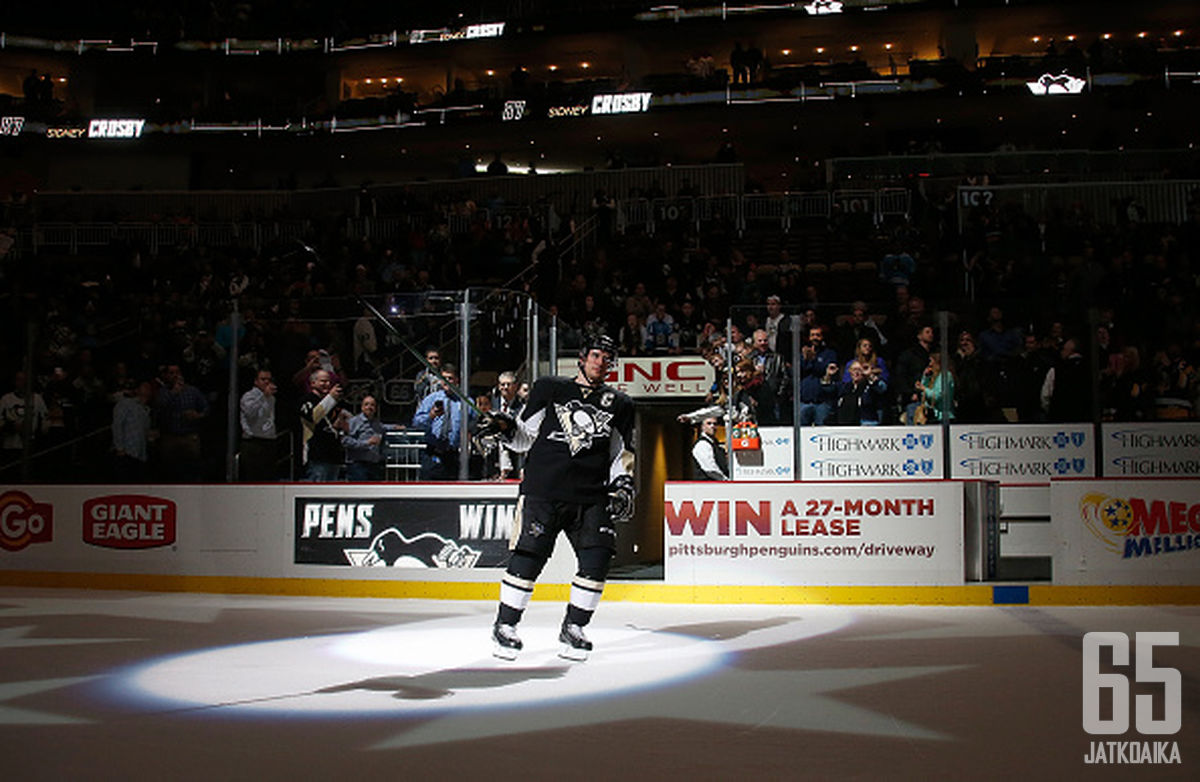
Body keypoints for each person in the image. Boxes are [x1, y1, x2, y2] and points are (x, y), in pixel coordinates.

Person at [482, 334, 636, 662]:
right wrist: (505, 429)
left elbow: (620, 452)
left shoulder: (621, 404)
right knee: (530, 556)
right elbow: (524, 439)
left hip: (592, 495)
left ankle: (574, 628)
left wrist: (623, 482)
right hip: (544, 490)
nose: (601, 361)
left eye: (607, 357)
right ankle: (505, 626)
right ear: (582, 357)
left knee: (597, 560)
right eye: (596, 355)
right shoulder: (550, 388)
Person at [412, 364, 475, 480]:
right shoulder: (431, 399)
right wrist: (430, 415)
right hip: (433, 453)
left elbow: (474, 423)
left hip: (454, 455)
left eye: (450, 378)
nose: (447, 382)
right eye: (444, 378)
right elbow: (416, 423)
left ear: (457, 380)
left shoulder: (466, 402)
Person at [155, 364, 209, 482]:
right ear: (166, 376)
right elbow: (160, 408)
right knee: (169, 471)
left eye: (177, 372)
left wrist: (197, 415)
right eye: (171, 373)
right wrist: (174, 392)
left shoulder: (193, 391)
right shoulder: (163, 392)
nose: (175, 375)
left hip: (189, 436)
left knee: (192, 469)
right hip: (170, 437)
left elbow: (206, 409)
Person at [299, 368, 347, 481]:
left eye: (329, 381)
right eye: (323, 381)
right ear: (313, 383)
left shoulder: (333, 402)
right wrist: (330, 398)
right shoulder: (307, 400)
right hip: (316, 456)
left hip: (333, 456)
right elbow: (314, 417)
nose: (327, 384)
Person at [343, 394, 401, 481]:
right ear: (362, 407)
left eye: (372, 405)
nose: (369, 407)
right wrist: (367, 443)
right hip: (358, 465)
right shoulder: (353, 422)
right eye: (366, 404)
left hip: (374, 465)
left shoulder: (376, 423)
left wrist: (395, 427)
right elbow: (345, 441)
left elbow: (384, 427)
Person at [239, 369, 277, 481]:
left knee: (268, 477)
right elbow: (250, 414)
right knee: (253, 477)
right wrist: (263, 396)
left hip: (268, 441)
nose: (266, 382)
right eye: (263, 379)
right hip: (253, 442)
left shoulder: (272, 398)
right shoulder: (248, 396)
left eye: (269, 380)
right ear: (256, 381)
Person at [111, 381, 154, 482]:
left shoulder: (146, 411)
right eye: (145, 386)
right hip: (125, 453)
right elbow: (117, 425)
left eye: (149, 387)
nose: (148, 388)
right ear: (137, 390)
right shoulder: (126, 403)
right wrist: (120, 448)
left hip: (140, 455)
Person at [689, 415, 727, 480]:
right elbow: (710, 469)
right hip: (707, 486)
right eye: (709, 423)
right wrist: (725, 480)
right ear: (702, 427)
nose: (712, 426)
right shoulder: (702, 444)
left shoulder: (714, 444)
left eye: (715, 424)